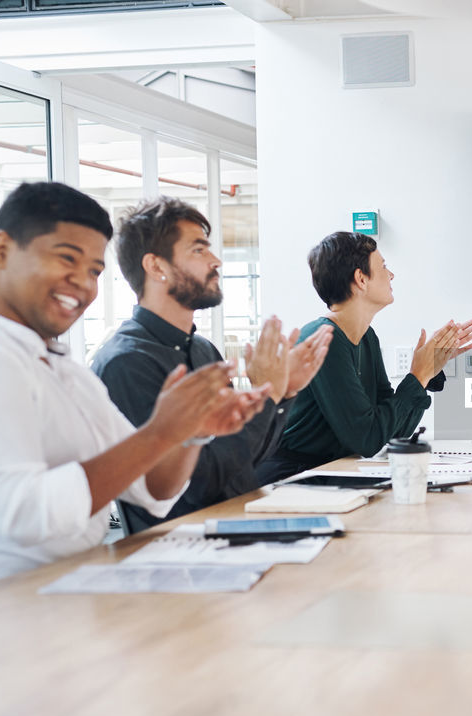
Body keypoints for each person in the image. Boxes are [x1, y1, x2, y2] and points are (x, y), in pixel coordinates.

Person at [0, 182, 267, 584]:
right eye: (67, 259)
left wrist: (190, 435)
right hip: (14, 604)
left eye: (94, 271)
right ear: (1, 251)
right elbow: (23, 513)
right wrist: (160, 433)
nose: (83, 284)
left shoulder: (66, 370)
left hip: (79, 584)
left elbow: (153, 489)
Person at [91, 197, 332, 534]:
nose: (216, 260)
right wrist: (271, 394)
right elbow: (199, 485)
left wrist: (283, 392)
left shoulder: (203, 350)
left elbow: (245, 462)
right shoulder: (126, 362)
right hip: (178, 550)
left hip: (237, 527)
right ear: (156, 267)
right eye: (198, 250)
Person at [255, 231, 472, 483]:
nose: (391, 275)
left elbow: (393, 431)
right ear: (361, 279)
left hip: (332, 473)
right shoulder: (324, 339)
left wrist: (426, 374)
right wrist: (417, 376)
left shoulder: (366, 337)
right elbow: (367, 439)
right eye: (383, 266)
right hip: (293, 479)